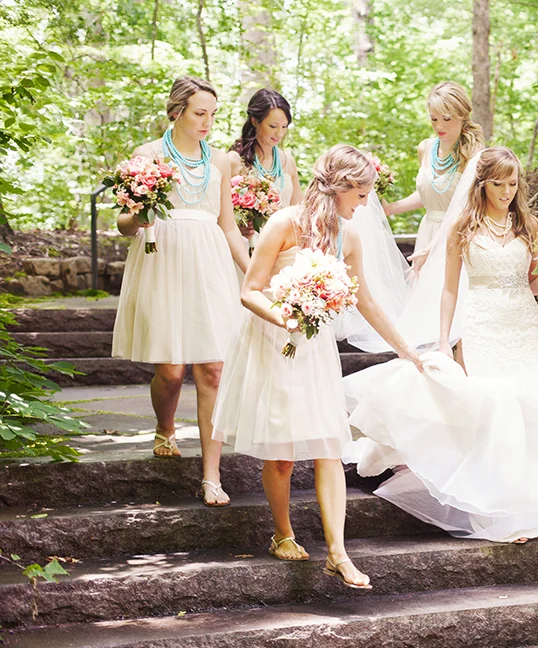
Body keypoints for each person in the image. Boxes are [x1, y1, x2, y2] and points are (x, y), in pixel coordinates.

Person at [344, 147, 538, 543]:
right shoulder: (463, 228)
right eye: (498, 184)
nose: (505, 191)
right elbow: (449, 289)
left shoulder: (528, 227)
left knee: (527, 412)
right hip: (482, 325)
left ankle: (529, 509)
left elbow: (535, 282)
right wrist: (445, 340)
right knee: (495, 413)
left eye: (512, 183)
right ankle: (499, 514)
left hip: (522, 322)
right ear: (482, 184)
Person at [212, 144, 422, 588]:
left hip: (315, 348)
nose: (365, 205)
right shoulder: (284, 222)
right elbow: (250, 289)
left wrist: (405, 347)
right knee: (284, 457)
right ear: (342, 188)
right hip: (273, 340)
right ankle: (283, 532)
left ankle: (338, 554)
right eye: (361, 195)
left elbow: (365, 299)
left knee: (329, 447)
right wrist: (285, 317)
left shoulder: (350, 237)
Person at [111, 75, 249, 507]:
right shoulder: (148, 155)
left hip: (210, 262)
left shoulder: (222, 161)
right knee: (170, 370)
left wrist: (253, 273)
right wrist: (140, 219)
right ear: (177, 112)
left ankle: (211, 475)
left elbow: (228, 225)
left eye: (212, 113)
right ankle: (165, 427)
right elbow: (123, 222)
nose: (207, 121)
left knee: (212, 369)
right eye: (199, 113)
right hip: (163, 259)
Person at [381, 81, 485, 267]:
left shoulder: (474, 154)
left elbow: (471, 206)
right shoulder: (426, 148)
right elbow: (430, 193)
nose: (439, 126)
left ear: (462, 116)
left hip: (457, 233)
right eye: (434, 119)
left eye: (446, 118)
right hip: (427, 229)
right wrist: (392, 208)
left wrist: (436, 244)